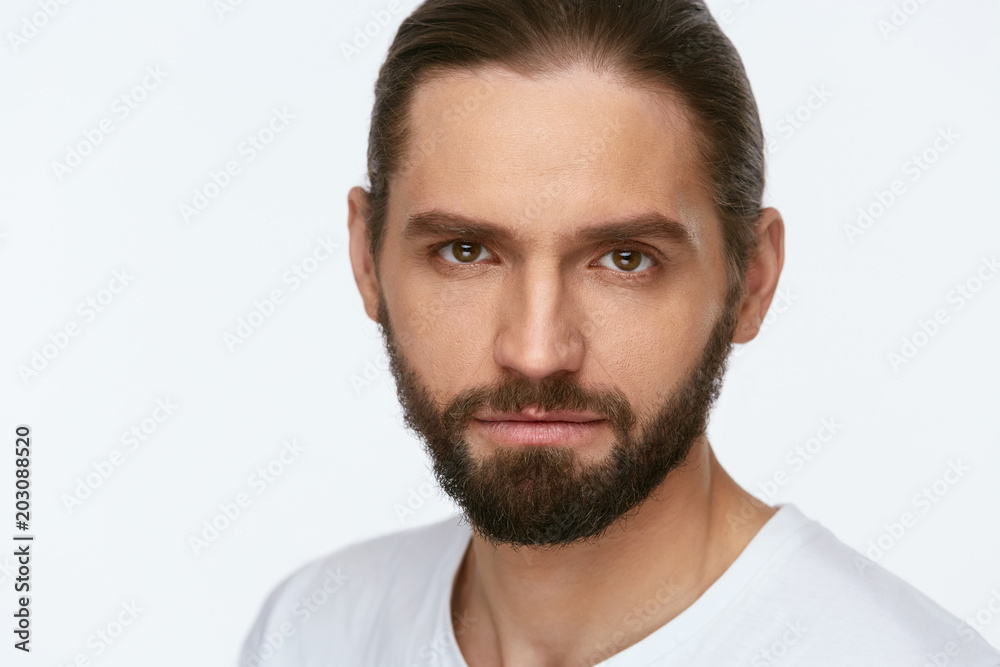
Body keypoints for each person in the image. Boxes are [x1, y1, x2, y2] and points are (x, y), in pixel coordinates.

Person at [239, 1, 1000, 665]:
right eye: (465, 251)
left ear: (752, 282)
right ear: (367, 261)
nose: (537, 350)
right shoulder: (310, 633)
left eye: (624, 259)